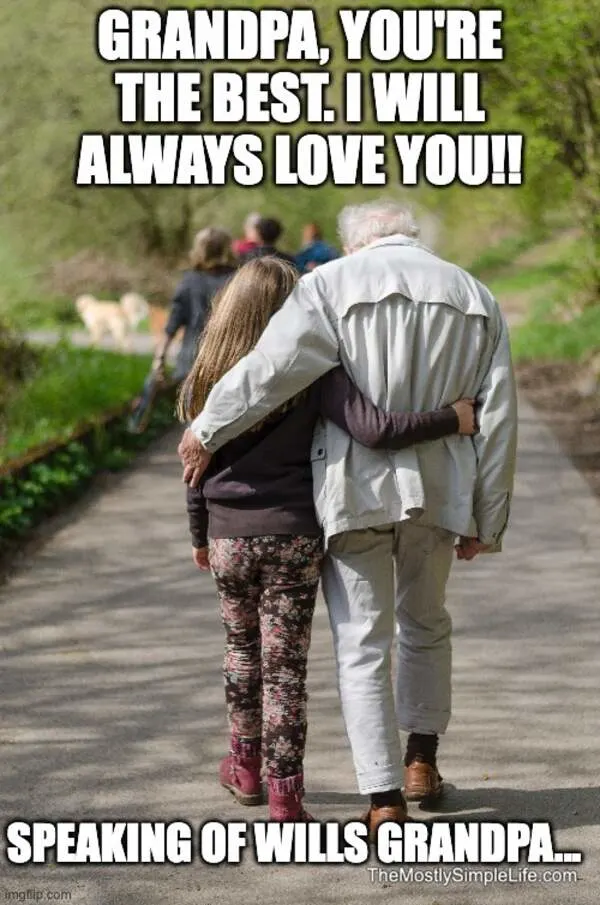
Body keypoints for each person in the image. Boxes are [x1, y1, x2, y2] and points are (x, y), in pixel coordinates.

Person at [177, 200, 518, 837]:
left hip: (353, 490)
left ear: (355, 243)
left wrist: (206, 427)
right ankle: (422, 762)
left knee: (362, 643)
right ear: (411, 237)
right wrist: (487, 519)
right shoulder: (475, 294)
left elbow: (269, 372)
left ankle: (382, 796)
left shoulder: (326, 286)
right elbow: (497, 415)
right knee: (428, 624)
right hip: (442, 490)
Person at [152, 227, 237, 382]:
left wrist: (159, 359)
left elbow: (172, 325)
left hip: (192, 361)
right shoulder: (239, 280)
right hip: (230, 361)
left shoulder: (189, 281)